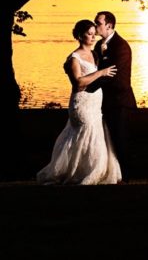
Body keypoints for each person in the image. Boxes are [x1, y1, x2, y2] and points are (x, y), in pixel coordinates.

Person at [36, 19, 122, 185]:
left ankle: (95, 170)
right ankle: (80, 172)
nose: (93, 37)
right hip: (81, 104)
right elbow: (79, 83)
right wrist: (101, 72)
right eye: (89, 34)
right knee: (84, 134)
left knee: (96, 135)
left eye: (93, 34)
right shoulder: (74, 58)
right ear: (79, 36)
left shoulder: (95, 54)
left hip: (95, 104)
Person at [91, 10, 136, 179]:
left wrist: (89, 86)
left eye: (98, 23)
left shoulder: (121, 46)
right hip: (104, 101)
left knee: (121, 140)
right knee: (107, 141)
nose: (95, 27)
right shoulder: (98, 46)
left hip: (120, 102)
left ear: (109, 26)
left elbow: (112, 75)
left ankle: (128, 176)